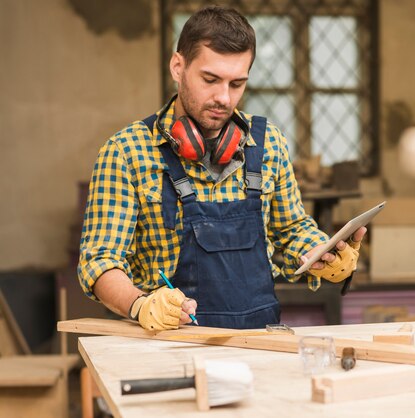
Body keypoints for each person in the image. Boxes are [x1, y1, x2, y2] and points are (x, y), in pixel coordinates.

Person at [78, 5, 366, 331]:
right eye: (210, 79)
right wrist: (139, 305)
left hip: (259, 344)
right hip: (169, 347)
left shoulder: (268, 142)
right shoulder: (126, 152)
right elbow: (99, 261)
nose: (224, 98)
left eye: (237, 83)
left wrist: (325, 256)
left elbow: (291, 232)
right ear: (178, 66)